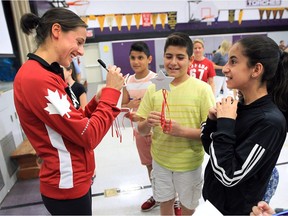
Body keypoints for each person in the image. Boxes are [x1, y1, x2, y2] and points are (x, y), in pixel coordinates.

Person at [13, 8, 124, 215]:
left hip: (74, 179)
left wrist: (96, 102)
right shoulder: (37, 79)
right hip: (67, 185)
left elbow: (73, 120)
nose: (81, 51)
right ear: (56, 31)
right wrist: (111, 93)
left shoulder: (48, 73)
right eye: (79, 42)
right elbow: (88, 135)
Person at [200, 35, 288, 215]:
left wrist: (225, 124)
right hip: (213, 204)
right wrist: (212, 122)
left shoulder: (270, 122)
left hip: (235, 210)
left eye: (233, 62)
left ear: (256, 69)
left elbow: (229, 175)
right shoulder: (238, 106)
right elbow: (212, 151)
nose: (224, 69)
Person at [137, 32, 215, 215]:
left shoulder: (202, 90)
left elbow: (211, 133)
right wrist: (147, 123)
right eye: (169, 56)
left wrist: (183, 131)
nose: (173, 62)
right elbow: (140, 130)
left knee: (188, 205)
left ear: (190, 60)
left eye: (180, 57)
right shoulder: (154, 87)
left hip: (189, 164)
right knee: (165, 202)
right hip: (160, 162)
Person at [121, 41, 158, 212]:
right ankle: (157, 195)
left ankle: (175, 199)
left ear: (149, 59)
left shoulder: (157, 79)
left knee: (165, 166)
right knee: (150, 166)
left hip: (158, 132)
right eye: (133, 58)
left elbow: (164, 104)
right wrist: (132, 105)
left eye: (140, 58)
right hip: (140, 132)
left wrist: (142, 107)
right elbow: (124, 104)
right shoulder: (127, 80)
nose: (136, 61)